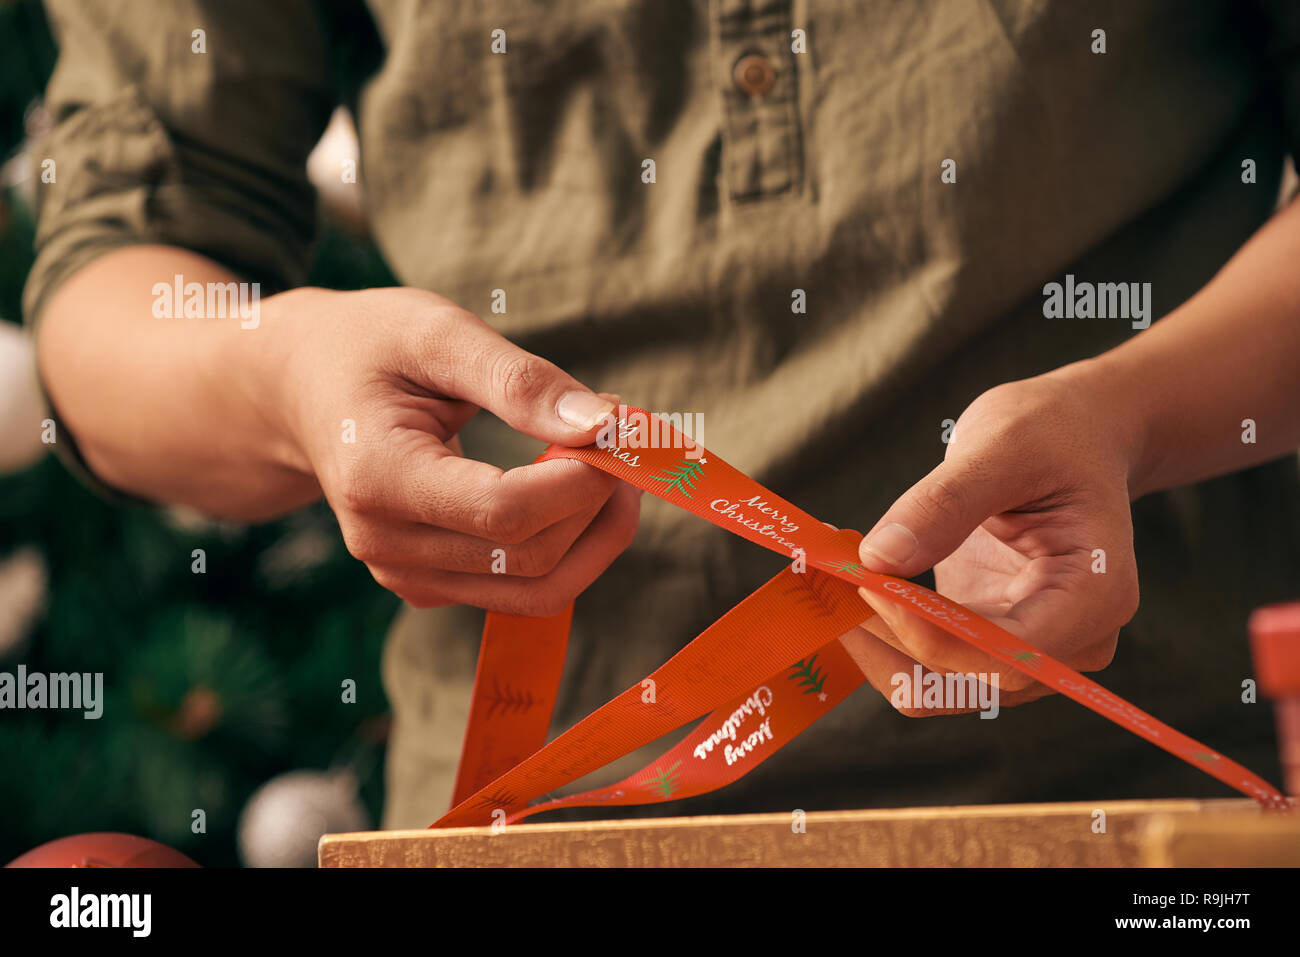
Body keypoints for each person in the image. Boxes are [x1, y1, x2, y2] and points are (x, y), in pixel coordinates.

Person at [25, 0, 1300, 828]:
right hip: (532, 840)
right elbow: (110, 298)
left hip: (1138, 824)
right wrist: (288, 378)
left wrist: (1129, 414)